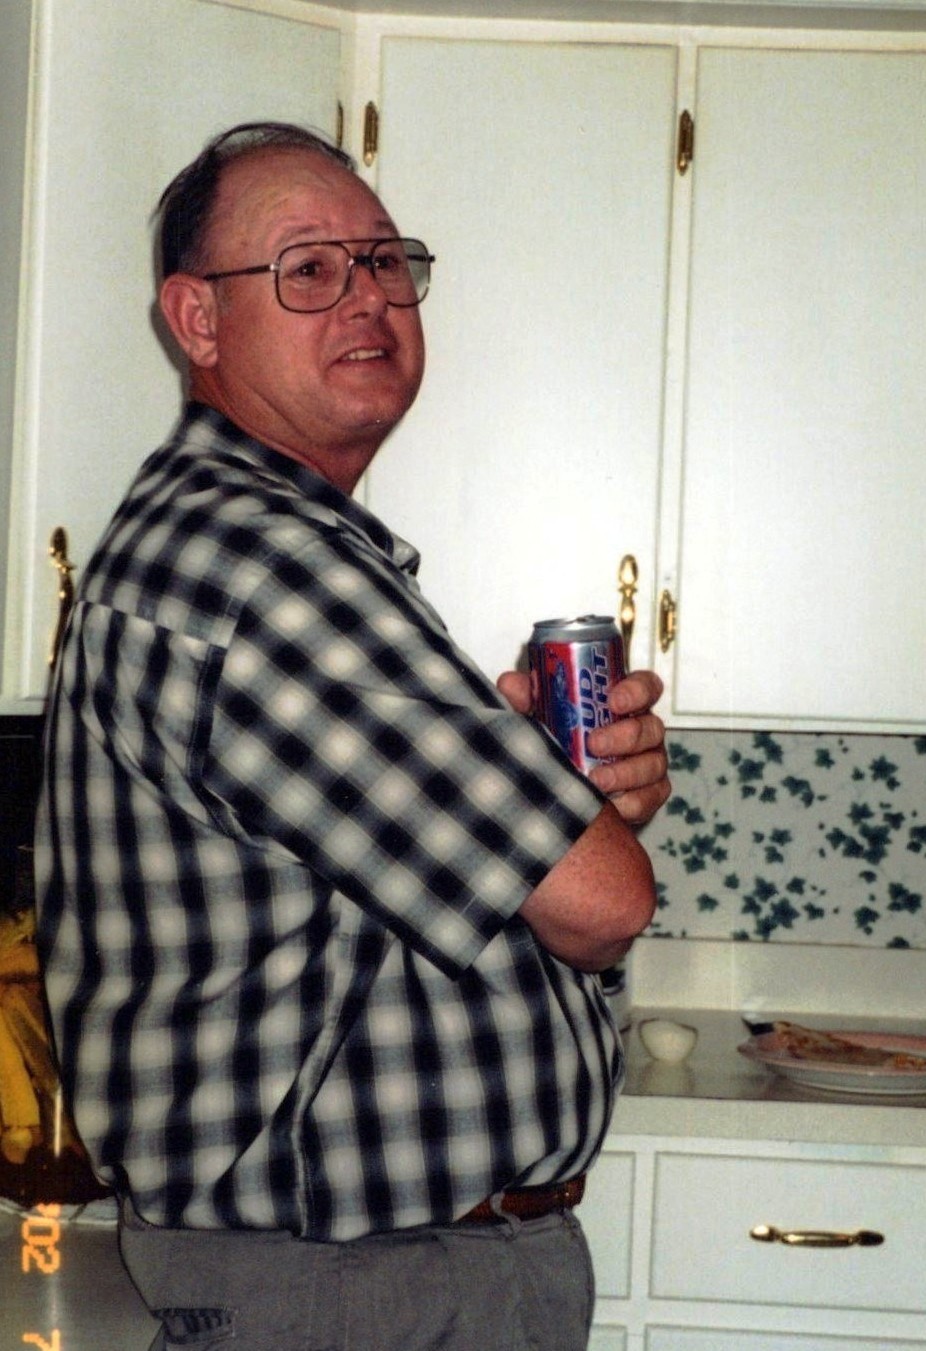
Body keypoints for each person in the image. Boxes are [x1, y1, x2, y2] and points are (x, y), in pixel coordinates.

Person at [35, 122, 670, 1351]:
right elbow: (602, 903)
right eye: (309, 269)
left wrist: (557, 793)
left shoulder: (239, 540)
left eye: (386, 261)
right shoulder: (261, 564)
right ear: (198, 319)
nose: (369, 297)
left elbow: (400, 907)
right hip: (360, 1291)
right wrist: (583, 830)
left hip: (359, 1275)